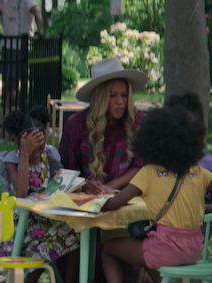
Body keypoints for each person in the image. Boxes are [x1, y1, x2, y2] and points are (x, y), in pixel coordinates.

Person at [98, 94, 212, 283]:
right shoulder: (199, 172)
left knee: (109, 247)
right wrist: (206, 207)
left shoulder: (148, 173)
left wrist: (100, 199)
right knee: (149, 247)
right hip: (195, 250)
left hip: (165, 250)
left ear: (150, 140)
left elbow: (115, 204)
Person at [0, 108, 79, 283]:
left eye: (41, 147)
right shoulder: (12, 160)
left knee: (74, 232)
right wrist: (25, 156)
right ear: (19, 143)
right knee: (48, 240)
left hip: (43, 217)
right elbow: (22, 193)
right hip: (19, 226)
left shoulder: (48, 155)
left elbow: (59, 179)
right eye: (34, 150)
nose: (39, 153)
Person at [58, 57, 148, 194]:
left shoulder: (138, 121)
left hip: (127, 200)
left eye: (124, 95)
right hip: (84, 203)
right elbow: (65, 171)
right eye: (113, 96)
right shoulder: (76, 125)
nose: (121, 102)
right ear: (100, 97)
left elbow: (142, 166)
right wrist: (85, 185)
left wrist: (109, 187)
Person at [0, 0, 44, 111]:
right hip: (7, 44)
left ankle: (12, 111)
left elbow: (36, 11)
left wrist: (41, 30)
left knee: (13, 81)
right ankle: (10, 111)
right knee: (6, 81)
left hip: (20, 46)